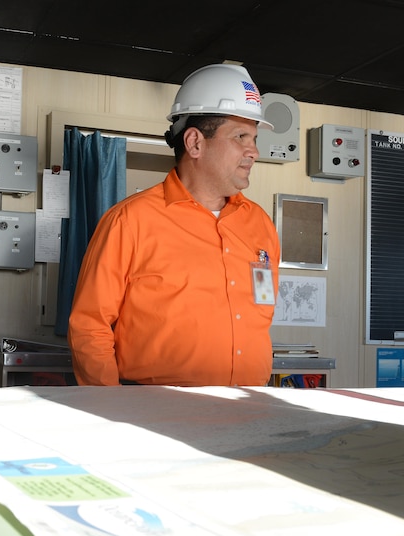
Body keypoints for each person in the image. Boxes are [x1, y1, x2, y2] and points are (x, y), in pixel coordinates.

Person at [67, 64, 280, 386]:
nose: (254, 151)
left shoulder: (260, 224)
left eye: (254, 138)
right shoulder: (130, 221)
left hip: (249, 407)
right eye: (240, 137)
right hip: (156, 411)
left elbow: (260, 310)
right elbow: (90, 325)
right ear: (195, 143)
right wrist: (109, 406)